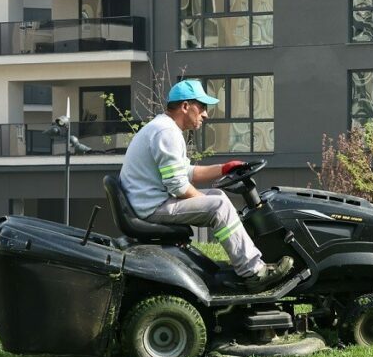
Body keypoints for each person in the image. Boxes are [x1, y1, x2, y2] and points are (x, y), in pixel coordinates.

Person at [120, 79, 293, 288]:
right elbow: (179, 187)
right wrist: (207, 202)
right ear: (185, 106)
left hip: (149, 203)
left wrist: (225, 167)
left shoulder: (164, 128)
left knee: (218, 198)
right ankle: (254, 272)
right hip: (151, 209)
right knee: (218, 206)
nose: (205, 114)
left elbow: (187, 173)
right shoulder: (166, 133)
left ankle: (244, 261)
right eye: (201, 107)